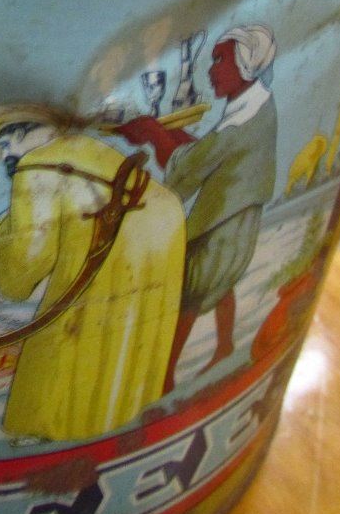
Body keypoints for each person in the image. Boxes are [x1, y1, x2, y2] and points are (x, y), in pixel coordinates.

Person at [0, 104, 185, 443]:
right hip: (136, 344)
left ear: (17, 134)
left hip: (74, 338)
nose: (5, 157)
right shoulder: (130, 174)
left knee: (48, 423)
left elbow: (19, 276)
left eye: (4, 146)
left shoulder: (39, 167)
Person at [118, 24, 278, 391]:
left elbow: (190, 167)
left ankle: (164, 379)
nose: (211, 70)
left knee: (193, 289)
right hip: (235, 213)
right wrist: (171, 135)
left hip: (223, 217)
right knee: (222, 278)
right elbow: (213, 152)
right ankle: (224, 347)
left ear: (245, 66)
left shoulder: (242, 120)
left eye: (219, 60)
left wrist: (152, 133)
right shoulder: (256, 105)